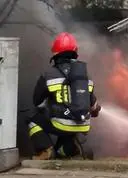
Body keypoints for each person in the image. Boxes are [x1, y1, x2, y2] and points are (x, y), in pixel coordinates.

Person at [27, 32, 101, 160]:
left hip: (61, 124)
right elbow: (93, 107)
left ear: (55, 54)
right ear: (75, 52)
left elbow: (37, 102)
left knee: (31, 118)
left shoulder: (48, 74)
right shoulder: (85, 76)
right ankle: (69, 149)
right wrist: (95, 109)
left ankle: (45, 149)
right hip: (82, 124)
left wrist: (51, 103)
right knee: (60, 152)